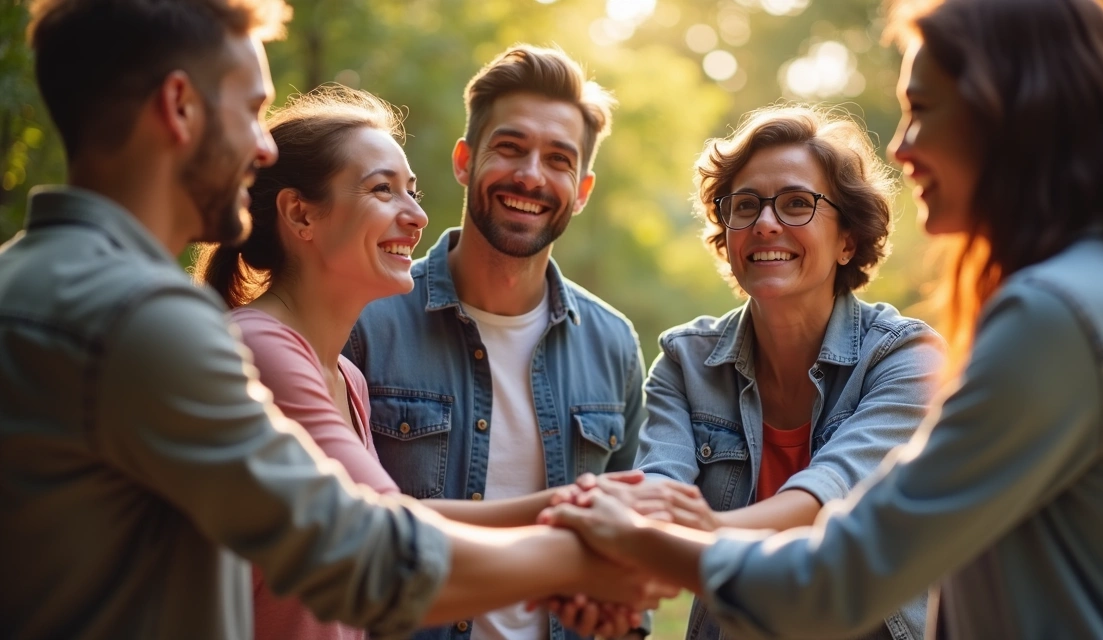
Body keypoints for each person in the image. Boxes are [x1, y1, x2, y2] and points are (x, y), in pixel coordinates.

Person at [541, 0, 1103, 637]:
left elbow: (839, 573)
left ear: (1010, 109)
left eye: (920, 109)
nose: (902, 145)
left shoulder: (1051, 320)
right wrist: (631, 539)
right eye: (744, 207)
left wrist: (630, 543)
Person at [0, 2, 665, 638]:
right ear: (179, 107)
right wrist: (600, 558)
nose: (265, 148)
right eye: (254, 110)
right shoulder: (142, 321)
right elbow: (358, 549)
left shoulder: (30, 283)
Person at [196, 84, 648, 640]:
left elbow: (394, 518)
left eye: (412, 191)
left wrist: (574, 511)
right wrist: (580, 533)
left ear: (582, 190)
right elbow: (388, 537)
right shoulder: (263, 350)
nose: (416, 216)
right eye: (383, 190)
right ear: (301, 215)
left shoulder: (346, 378)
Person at [606, 104, 942, 640]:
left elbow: (828, 498)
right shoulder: (685, 362)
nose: (765, 224)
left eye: (795, 204)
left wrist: (703, 533)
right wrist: (625, 530)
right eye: (746, 206)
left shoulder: (906, 358)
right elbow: (656, 492)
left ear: (847, 240)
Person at [344, 45, 647, 640]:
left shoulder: (613, 344)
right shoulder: (364, 318)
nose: (531, 175)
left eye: (558, 159)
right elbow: (332, 536)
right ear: (464, 160)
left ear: (582, 189)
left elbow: (624, 561)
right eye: (510, 148)